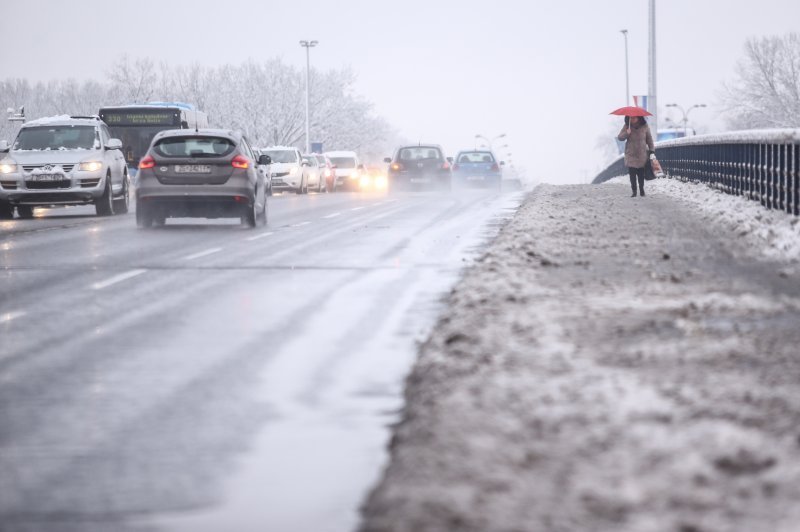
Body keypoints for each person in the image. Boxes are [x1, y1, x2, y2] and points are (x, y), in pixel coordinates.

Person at [617, 116, 655, 197]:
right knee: (632, 174)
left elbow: (649, 139)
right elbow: (620, 137)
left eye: (634, 118)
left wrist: (652, 150)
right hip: (631, 154)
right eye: (631, 118)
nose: (632, 119)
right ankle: (634, 191)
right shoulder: (627, 126)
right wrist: (627, 133)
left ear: (639, 118)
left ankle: (641, 189)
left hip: (641, 153)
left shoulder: (645, 126)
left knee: (641, 173)